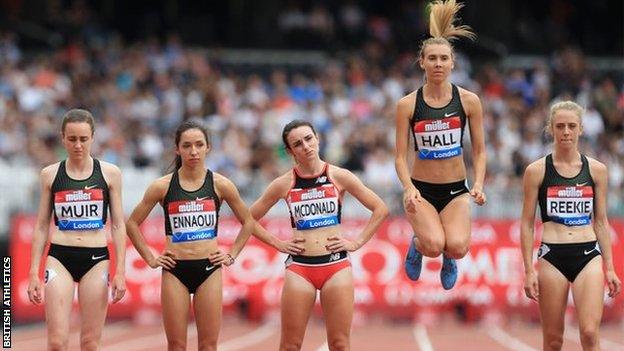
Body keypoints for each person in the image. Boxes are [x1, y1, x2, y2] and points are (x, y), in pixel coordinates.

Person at [250, 120, 388, 351]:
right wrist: (277, 243)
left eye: (308, 139)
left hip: (336, 267)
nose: (305, 146)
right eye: (297, 143)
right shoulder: (284, 183)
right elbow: (248, 218)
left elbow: (380, 208)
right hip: (300, 269)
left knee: (340, 344)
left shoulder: (339, 176)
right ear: (290, 151)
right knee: (290, 346)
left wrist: (356, 242)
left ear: (317, 139)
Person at [125, 120, 254, 351]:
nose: (193, 151)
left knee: (208, 345)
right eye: (186, 145)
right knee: (176, 345)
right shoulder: (162, 186)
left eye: (198, 144)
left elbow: (248, 222)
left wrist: (231, 255)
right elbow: (132, 223)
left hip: (209, 269)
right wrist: (151, 258)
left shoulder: (221, 184)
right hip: (175, 270)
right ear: (177, 149)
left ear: (208, 147)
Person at [395, 0, 486, 289]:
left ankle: (450, 258)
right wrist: (408, 188)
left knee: (457, 247)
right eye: (431, 58)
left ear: (452, 63)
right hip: (420, 191)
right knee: (432, 244)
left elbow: (481, 151)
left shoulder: (469, 101)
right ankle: (418, 246)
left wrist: (479, 183)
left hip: (456, 190)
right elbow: (399, 156)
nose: (437, 64)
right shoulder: (407, 104)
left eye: (443, 58)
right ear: (421, 62)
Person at [520, 101, 621, 351]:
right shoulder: (536, 171)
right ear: (551, 129)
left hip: (588, 254)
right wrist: (528, 270)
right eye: (560, 126)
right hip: (552, 256)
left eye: (571, 126)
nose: (566, 131)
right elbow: (526, 224)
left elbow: (600, 222)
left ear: (581, 130)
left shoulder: (597, 170)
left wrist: (610, 268)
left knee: (589, 333)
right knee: (553, 340)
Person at [27, 109, 127, 350]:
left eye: (83, 139)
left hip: (96, 259)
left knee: (90, 343)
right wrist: (33, 272)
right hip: (59, 256)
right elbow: (41, 226)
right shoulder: (50, 174)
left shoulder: (110, 174)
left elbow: (117, 223)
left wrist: (120, 270)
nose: (78, 145)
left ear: (93, 137)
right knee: (56, 342)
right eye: (72, 139)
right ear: (63, 138)